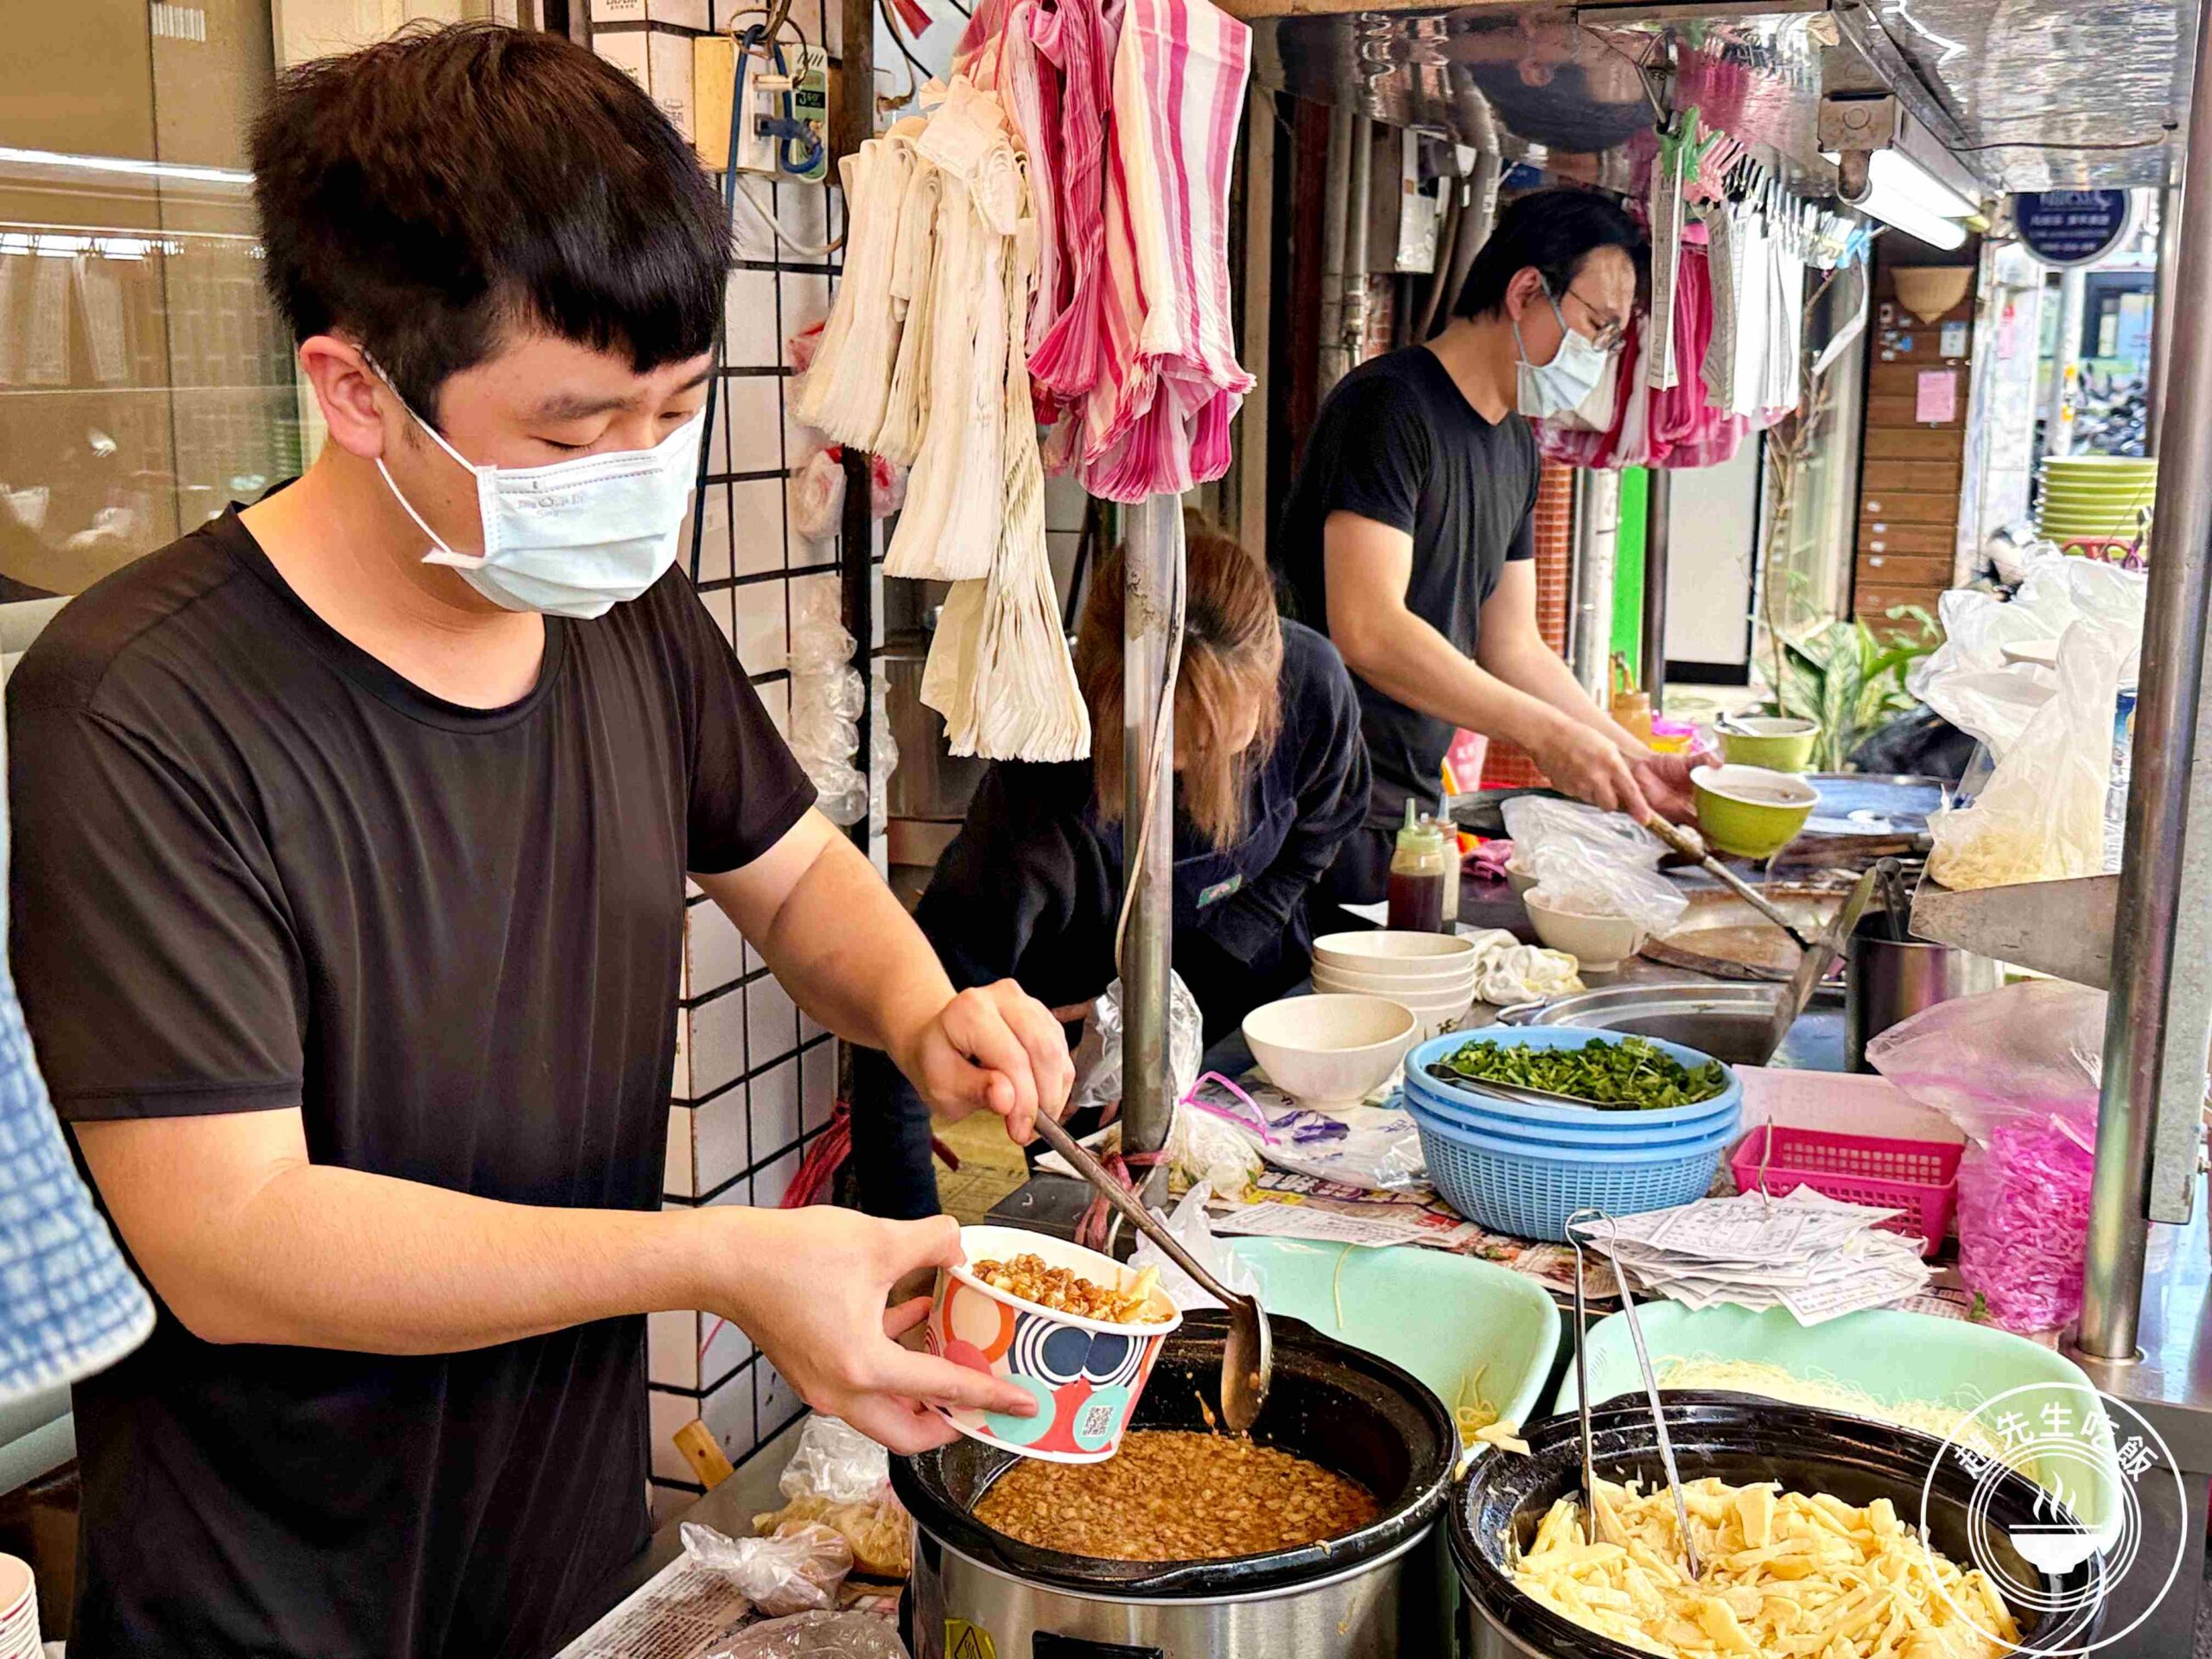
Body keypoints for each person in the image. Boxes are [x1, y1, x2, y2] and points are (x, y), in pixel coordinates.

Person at [6, 27, 1074, 1658]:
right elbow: (234, 1239)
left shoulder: (619, 610)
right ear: (355, 387)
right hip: (277, 1600)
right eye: (574, 436)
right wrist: (725, 1259)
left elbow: (791, 872)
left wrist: (925, 1006)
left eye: (677, 412)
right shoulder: (137, 707)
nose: (638, 477)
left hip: (566, 1557)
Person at [853, 524, 1370, 1219]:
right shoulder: (1037, 802)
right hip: (1078, 1060)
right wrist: (906, 1239)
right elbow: (902, 1029)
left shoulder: (1312, 685)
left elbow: (1323, 829)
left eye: (1218, 743)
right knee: (1093, 1234)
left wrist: (1200, 981)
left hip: (1248, 1017)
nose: (1187, 769)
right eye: (1166, 744)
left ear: (1269, 682)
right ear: (1103, 698)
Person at [1273, 188, 1696, 904]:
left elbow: (1515, 646)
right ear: (1527, 290)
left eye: (1613, 339)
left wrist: (1635, 762)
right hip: (1314, 805)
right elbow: (1368, 629)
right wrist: (1543, 736)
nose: (1599, 355)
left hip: (1404, 812)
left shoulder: (1514, 446)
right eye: (1597, 325)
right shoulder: (1387, 407)